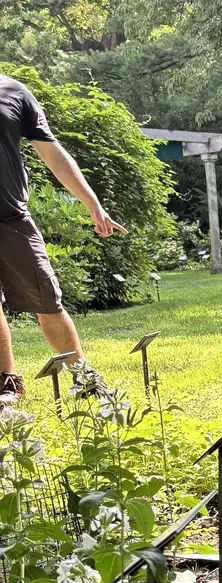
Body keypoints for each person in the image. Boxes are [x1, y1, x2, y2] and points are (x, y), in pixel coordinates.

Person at [0, 73, 127, 407]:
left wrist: (93, 204)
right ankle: (7, 384)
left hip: (11, 219)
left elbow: (53, 154)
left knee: (47, 300)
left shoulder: (13, 92)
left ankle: (85, 379)